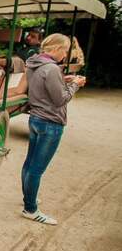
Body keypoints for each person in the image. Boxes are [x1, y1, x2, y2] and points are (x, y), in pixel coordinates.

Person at [21, 33, 86, 225]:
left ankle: (28, 198)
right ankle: (30, 209)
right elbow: (61, 99)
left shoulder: (34, 62)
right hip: (50, 123)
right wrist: (75, 84)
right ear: (56, 49)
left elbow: (42, 84)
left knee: (29, 163)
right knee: (37, 169)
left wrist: (62, 80)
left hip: (35, 119)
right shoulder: (51, 68)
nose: (65, 55)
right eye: (65, 51)